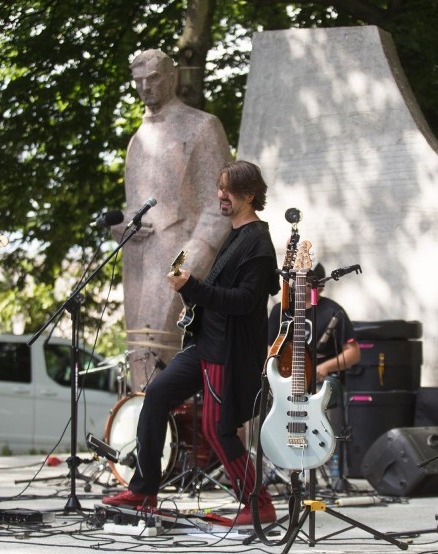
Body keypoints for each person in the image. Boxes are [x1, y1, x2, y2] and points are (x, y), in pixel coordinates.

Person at [102, 160, 280, 525]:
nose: (221, 195)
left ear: (250, 195)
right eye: (220, 188)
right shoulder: (235, 236)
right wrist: (190, 294)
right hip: (205, 346)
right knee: (156, 395)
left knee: (219, 428)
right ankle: (144, 489)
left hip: (228, 351)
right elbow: (218, 295)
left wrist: (192, 287)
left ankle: (258, 503)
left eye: (228, 190)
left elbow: (245, 301)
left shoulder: (258, 243)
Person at [113, 49, 232, 391]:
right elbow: (137, 203)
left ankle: (163, 436)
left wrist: (195, 254)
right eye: (138, 82)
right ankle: (146, 437)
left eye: (152, 78)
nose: (145, 88)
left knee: (160, 355)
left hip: (178, 256)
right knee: (139, 355)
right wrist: (122, 224)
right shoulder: (138, 140)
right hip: (137, 261)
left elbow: (220, 202)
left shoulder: (201, 126)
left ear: (172, 77)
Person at [267, 263, 360, 445]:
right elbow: (270, 349)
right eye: (298, 281)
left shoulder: (333, 311)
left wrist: (325, 367)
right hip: (287, 378)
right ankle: (279, 447)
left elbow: (353, 354)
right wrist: (273, 378)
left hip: (324, 379)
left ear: (319, 286)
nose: (300, 286)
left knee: (315, 394)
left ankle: (318, 444)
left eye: (307, 283)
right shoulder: (281, 311)